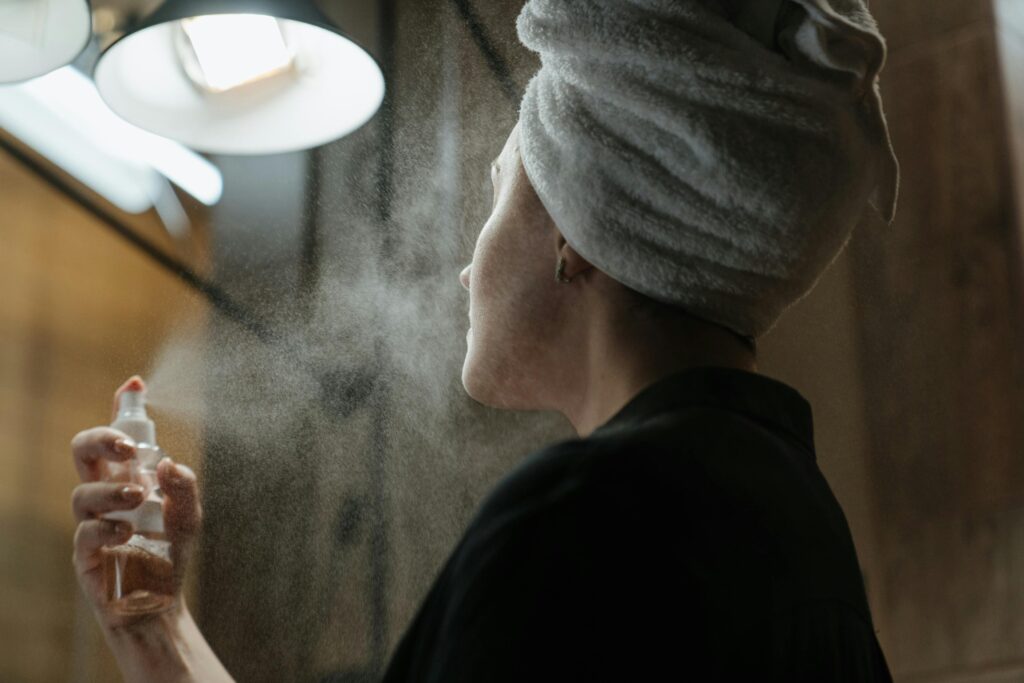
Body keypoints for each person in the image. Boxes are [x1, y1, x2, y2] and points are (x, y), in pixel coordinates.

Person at [70, 0, 900, 680]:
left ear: (574, 231)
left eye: (498, 194)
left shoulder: (579, 520)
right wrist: (155, 625)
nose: (467, 271)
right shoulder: (795, 522)